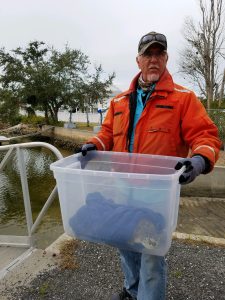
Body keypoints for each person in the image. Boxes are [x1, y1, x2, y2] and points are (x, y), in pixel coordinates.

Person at [78, 31, 221, 300]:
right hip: (121, 189)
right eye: (148, 54)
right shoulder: (119, 101)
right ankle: (132, 291)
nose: (153, 59)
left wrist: (200, 159)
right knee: (125, 244)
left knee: (152, 255)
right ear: (138, 60)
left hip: (156, 194)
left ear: (166, 58)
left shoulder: (184, 98)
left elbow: (206, 135)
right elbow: (107, 133)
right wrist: (93, 144)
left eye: (159, 54)